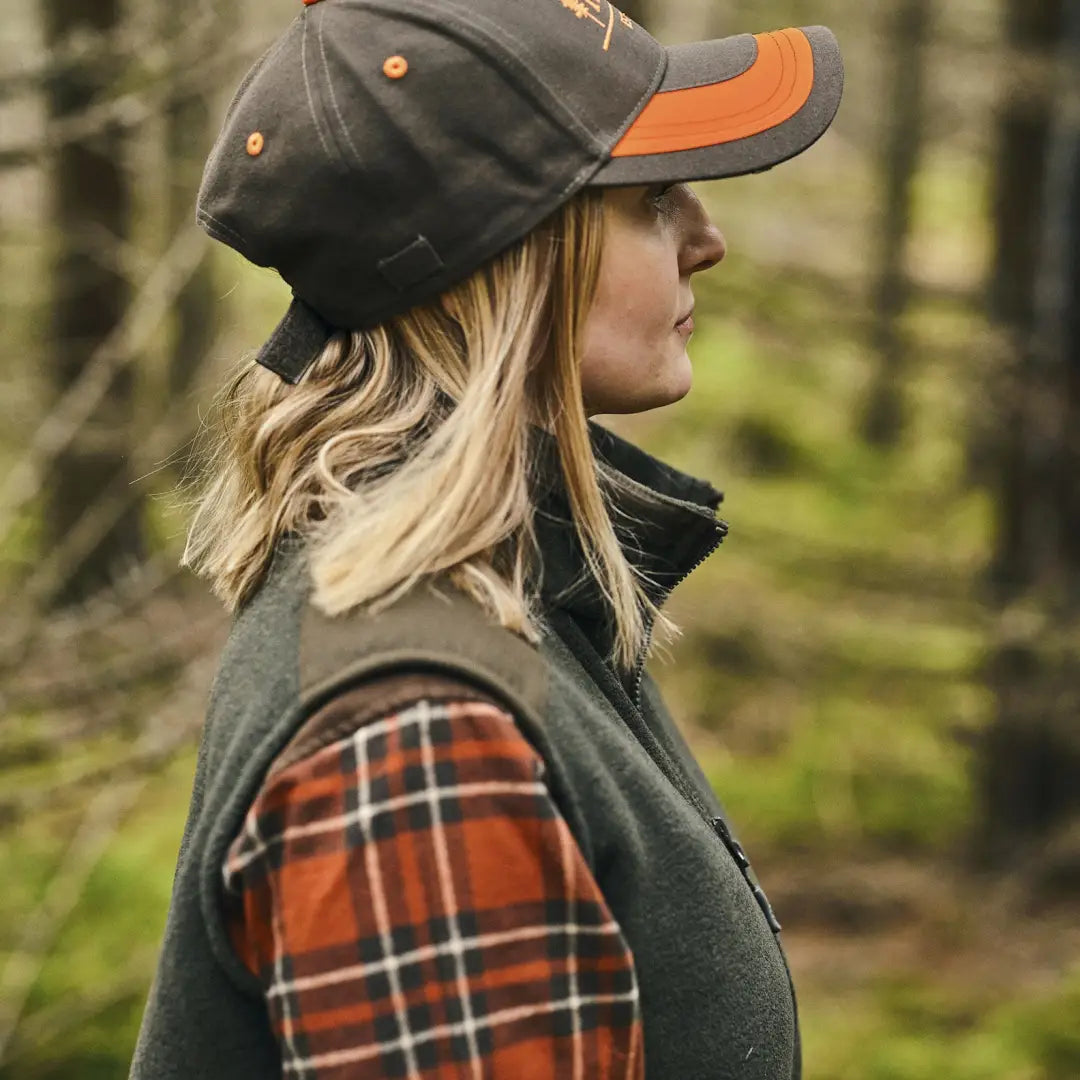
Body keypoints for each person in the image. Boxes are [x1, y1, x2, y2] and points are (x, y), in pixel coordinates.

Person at [130, 2, 843, 1077]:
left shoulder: (509, 597)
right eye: (651, 200)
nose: (709, 238)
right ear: (509, 252)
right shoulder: (422, 730)